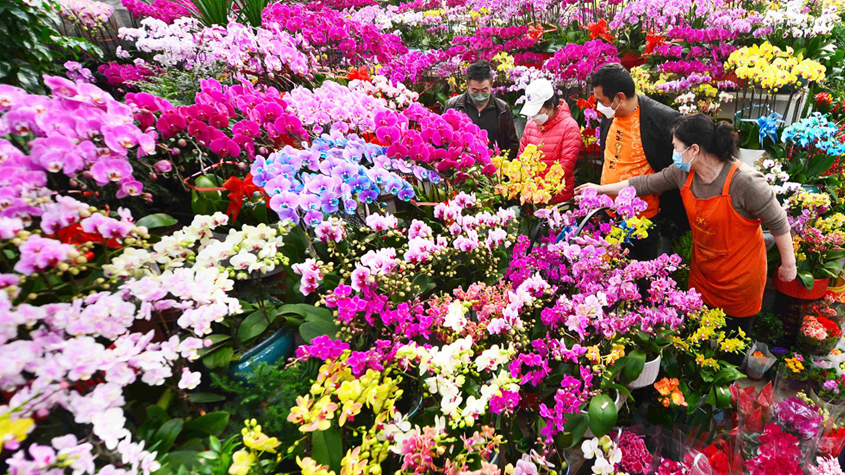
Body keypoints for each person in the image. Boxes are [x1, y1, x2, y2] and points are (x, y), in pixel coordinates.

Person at [576, 114, 798, 336]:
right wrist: (601, 189)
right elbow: (645, 183)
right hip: (703, 272)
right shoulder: (683, 172)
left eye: (676, 147)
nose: (673, 154)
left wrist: (789, 265)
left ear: (694, 149)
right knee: (695, 338)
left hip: (739, 278)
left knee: (732, 344)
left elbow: (778, 222)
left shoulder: (745, 181)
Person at [591, 63, 686, 260]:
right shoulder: (611, 114)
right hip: (608, 214)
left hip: (641, 221)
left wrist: (663, 185)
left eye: (601, 101)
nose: (598, 107)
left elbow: (683, 158)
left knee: (637, 280)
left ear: (619, 97)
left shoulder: (661, 118)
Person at [517, 78, 581, 203]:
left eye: (537, 111)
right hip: (531, 197)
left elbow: (565, 167)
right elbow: (521, 157)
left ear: (551, 106)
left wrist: (542, 190)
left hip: (557, 198)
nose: (534, 116)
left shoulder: (569, 127)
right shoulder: (530, 125)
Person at [444, 60, 519, 160]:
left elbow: (512, 144)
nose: (480, 95)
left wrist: (501, 166)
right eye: (475, 90)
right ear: (467, 85)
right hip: (460, 167)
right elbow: (444, 139)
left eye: (484, 90)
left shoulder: (502, 109)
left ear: (492, 84)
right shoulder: (453, 106)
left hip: (493, 169)